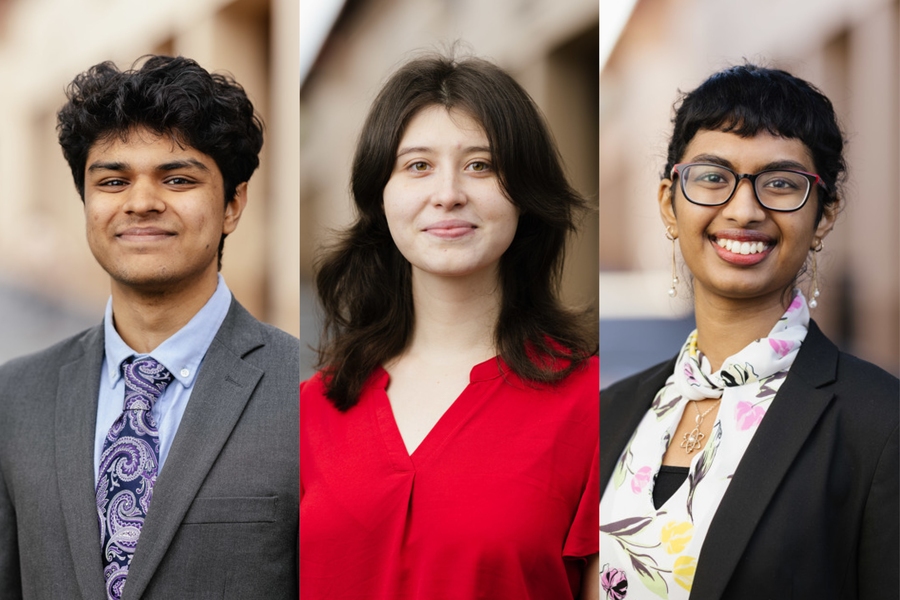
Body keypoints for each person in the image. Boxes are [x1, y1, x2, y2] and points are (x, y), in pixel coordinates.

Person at [300, 54, 599, 599]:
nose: (448, 193)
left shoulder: (592, 406)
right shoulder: (309, 410)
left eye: (481, 165)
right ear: (381, 196)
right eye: (417, 166)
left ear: (525, 195)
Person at [0, 56, 299, 600]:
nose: (141, 203)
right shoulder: (14, 398)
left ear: (233, 204)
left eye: (178, 178)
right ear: (87, 202)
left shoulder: (307, 390)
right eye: (113, 180)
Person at [600, 64, 899, 599]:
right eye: (713, 177)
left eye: (781, 184)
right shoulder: (612, 412)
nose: (743, 210)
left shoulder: (880, 425)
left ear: (824, 215)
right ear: (670, 203)